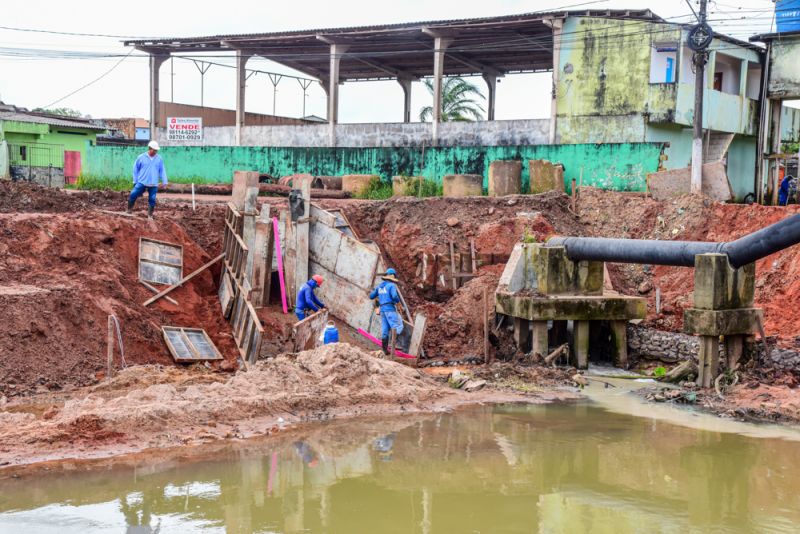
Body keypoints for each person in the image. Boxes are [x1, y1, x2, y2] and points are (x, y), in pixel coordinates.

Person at [127, 140, 168, 218]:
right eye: (154, 150)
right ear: (150, 148)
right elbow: (135, 169)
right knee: (133, 194)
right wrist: (135, 181)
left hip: (153, 183)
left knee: (152, 199)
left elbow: (162, 170)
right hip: (142, 181)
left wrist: (164, 181)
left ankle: (150, 215)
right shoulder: (141, 157)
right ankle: (129, 209)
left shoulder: (159, 159)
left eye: (156, 150)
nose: (155, 151)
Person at [369, 268, 403, 355]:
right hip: (390, 309)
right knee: (397, 326)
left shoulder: (380, 286)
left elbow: (371, 296)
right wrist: (398, 303)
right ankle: (394, 347)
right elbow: (394, 296)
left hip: (383, 310)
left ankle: (385, 350)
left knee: (385, 330)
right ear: (392, 277)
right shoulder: (391, 285)